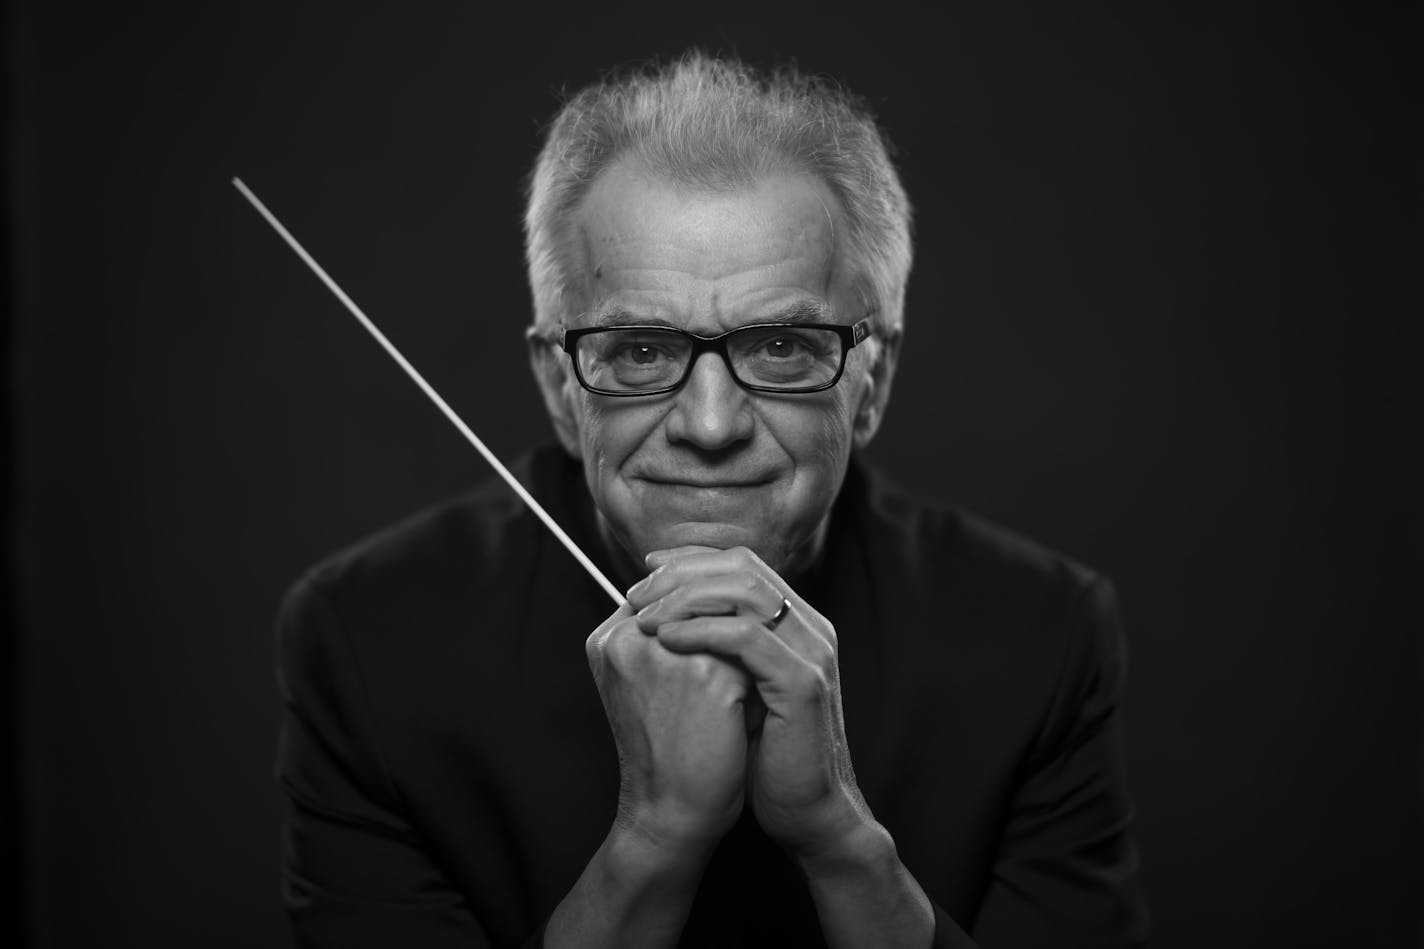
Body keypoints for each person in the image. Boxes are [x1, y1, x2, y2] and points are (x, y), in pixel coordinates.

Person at [275, 52, 1150, 948]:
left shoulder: (1043, 637)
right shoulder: (368, 641)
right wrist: (653, 839)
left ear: (872, 381)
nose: (710, 422)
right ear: (557, 386)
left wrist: (842, 842)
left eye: (780, 345)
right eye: (641, 351)